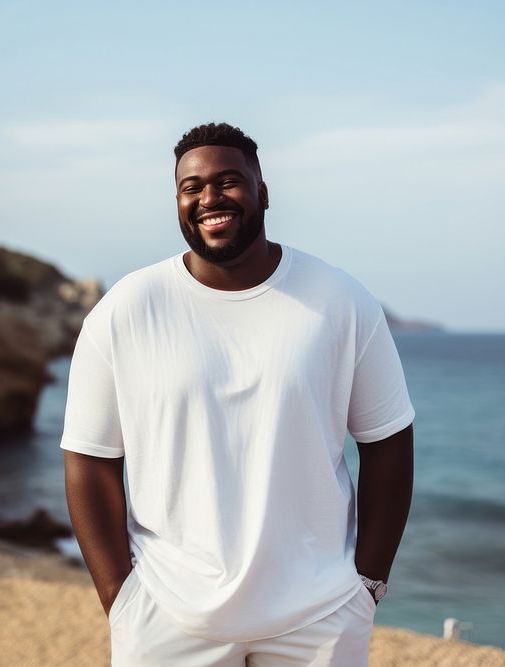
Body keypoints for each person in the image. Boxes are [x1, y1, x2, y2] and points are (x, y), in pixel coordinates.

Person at [61, 122, 415, 666]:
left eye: (228, 181)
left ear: (262, 192)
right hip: (166, 615)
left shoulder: (341, 301)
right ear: (177, 201)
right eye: (192, 187)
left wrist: (366, 584)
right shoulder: (126, 309)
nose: (210, 198)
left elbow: (388, 441)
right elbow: (89, 456)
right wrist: (120, 595)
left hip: (319, 617)